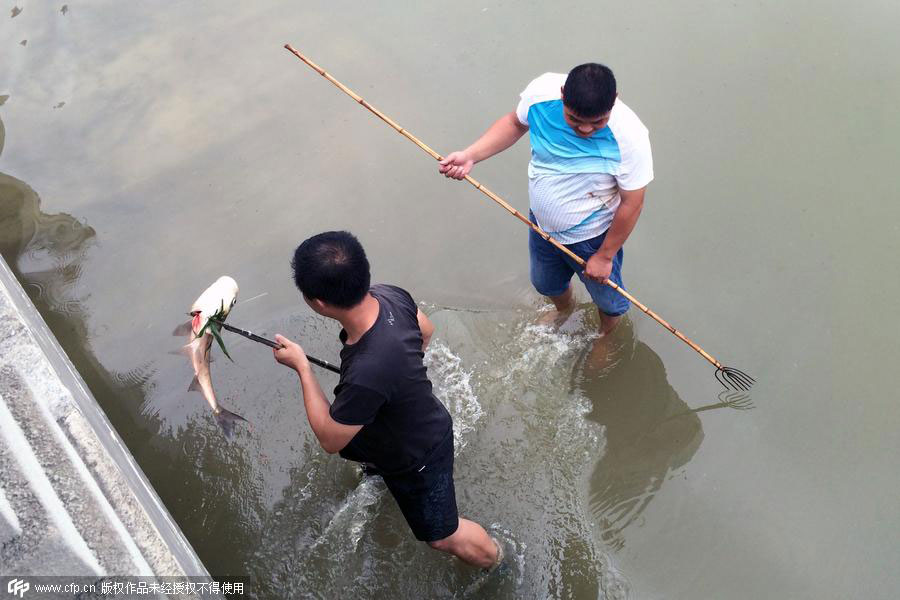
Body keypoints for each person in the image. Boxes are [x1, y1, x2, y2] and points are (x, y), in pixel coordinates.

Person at [272, 231, 500, 569]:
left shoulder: (368, 371)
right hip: (390, 428)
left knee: (443, 535)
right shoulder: (389, 294)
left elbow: (330, 439)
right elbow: (425, 330)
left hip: (419, 454)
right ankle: (377, 471)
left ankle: (498, 560)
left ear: (318, 303)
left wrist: (303, 367)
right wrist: (398, 375)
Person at [439, 63, 653, 336]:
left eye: (598, 122)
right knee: (546, 284)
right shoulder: (541, 94)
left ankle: (605, 335)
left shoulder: (630, 136)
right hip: (541, 224)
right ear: (562, 94)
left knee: (609, 303)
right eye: (574, 119)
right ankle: (564, 310)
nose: (585, 129)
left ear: (614, 101)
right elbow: (515, 123)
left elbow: (632, 203)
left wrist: (605, 256)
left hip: (593, 236)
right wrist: (471, 155)